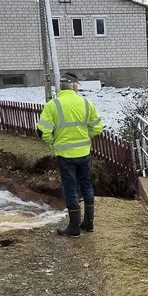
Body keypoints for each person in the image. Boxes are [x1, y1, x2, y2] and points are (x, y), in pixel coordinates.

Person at [37, 73, 103, 237]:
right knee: (86, 185)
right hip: (84, 153)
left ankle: (74, 228)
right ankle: (89, 224)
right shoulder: (86, 103)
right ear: (75, 86)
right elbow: (97, 128)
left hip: (65, 155)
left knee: (70, 189)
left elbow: (42, 131)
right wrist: (85, 137)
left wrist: (53, 142)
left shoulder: (52, 105)